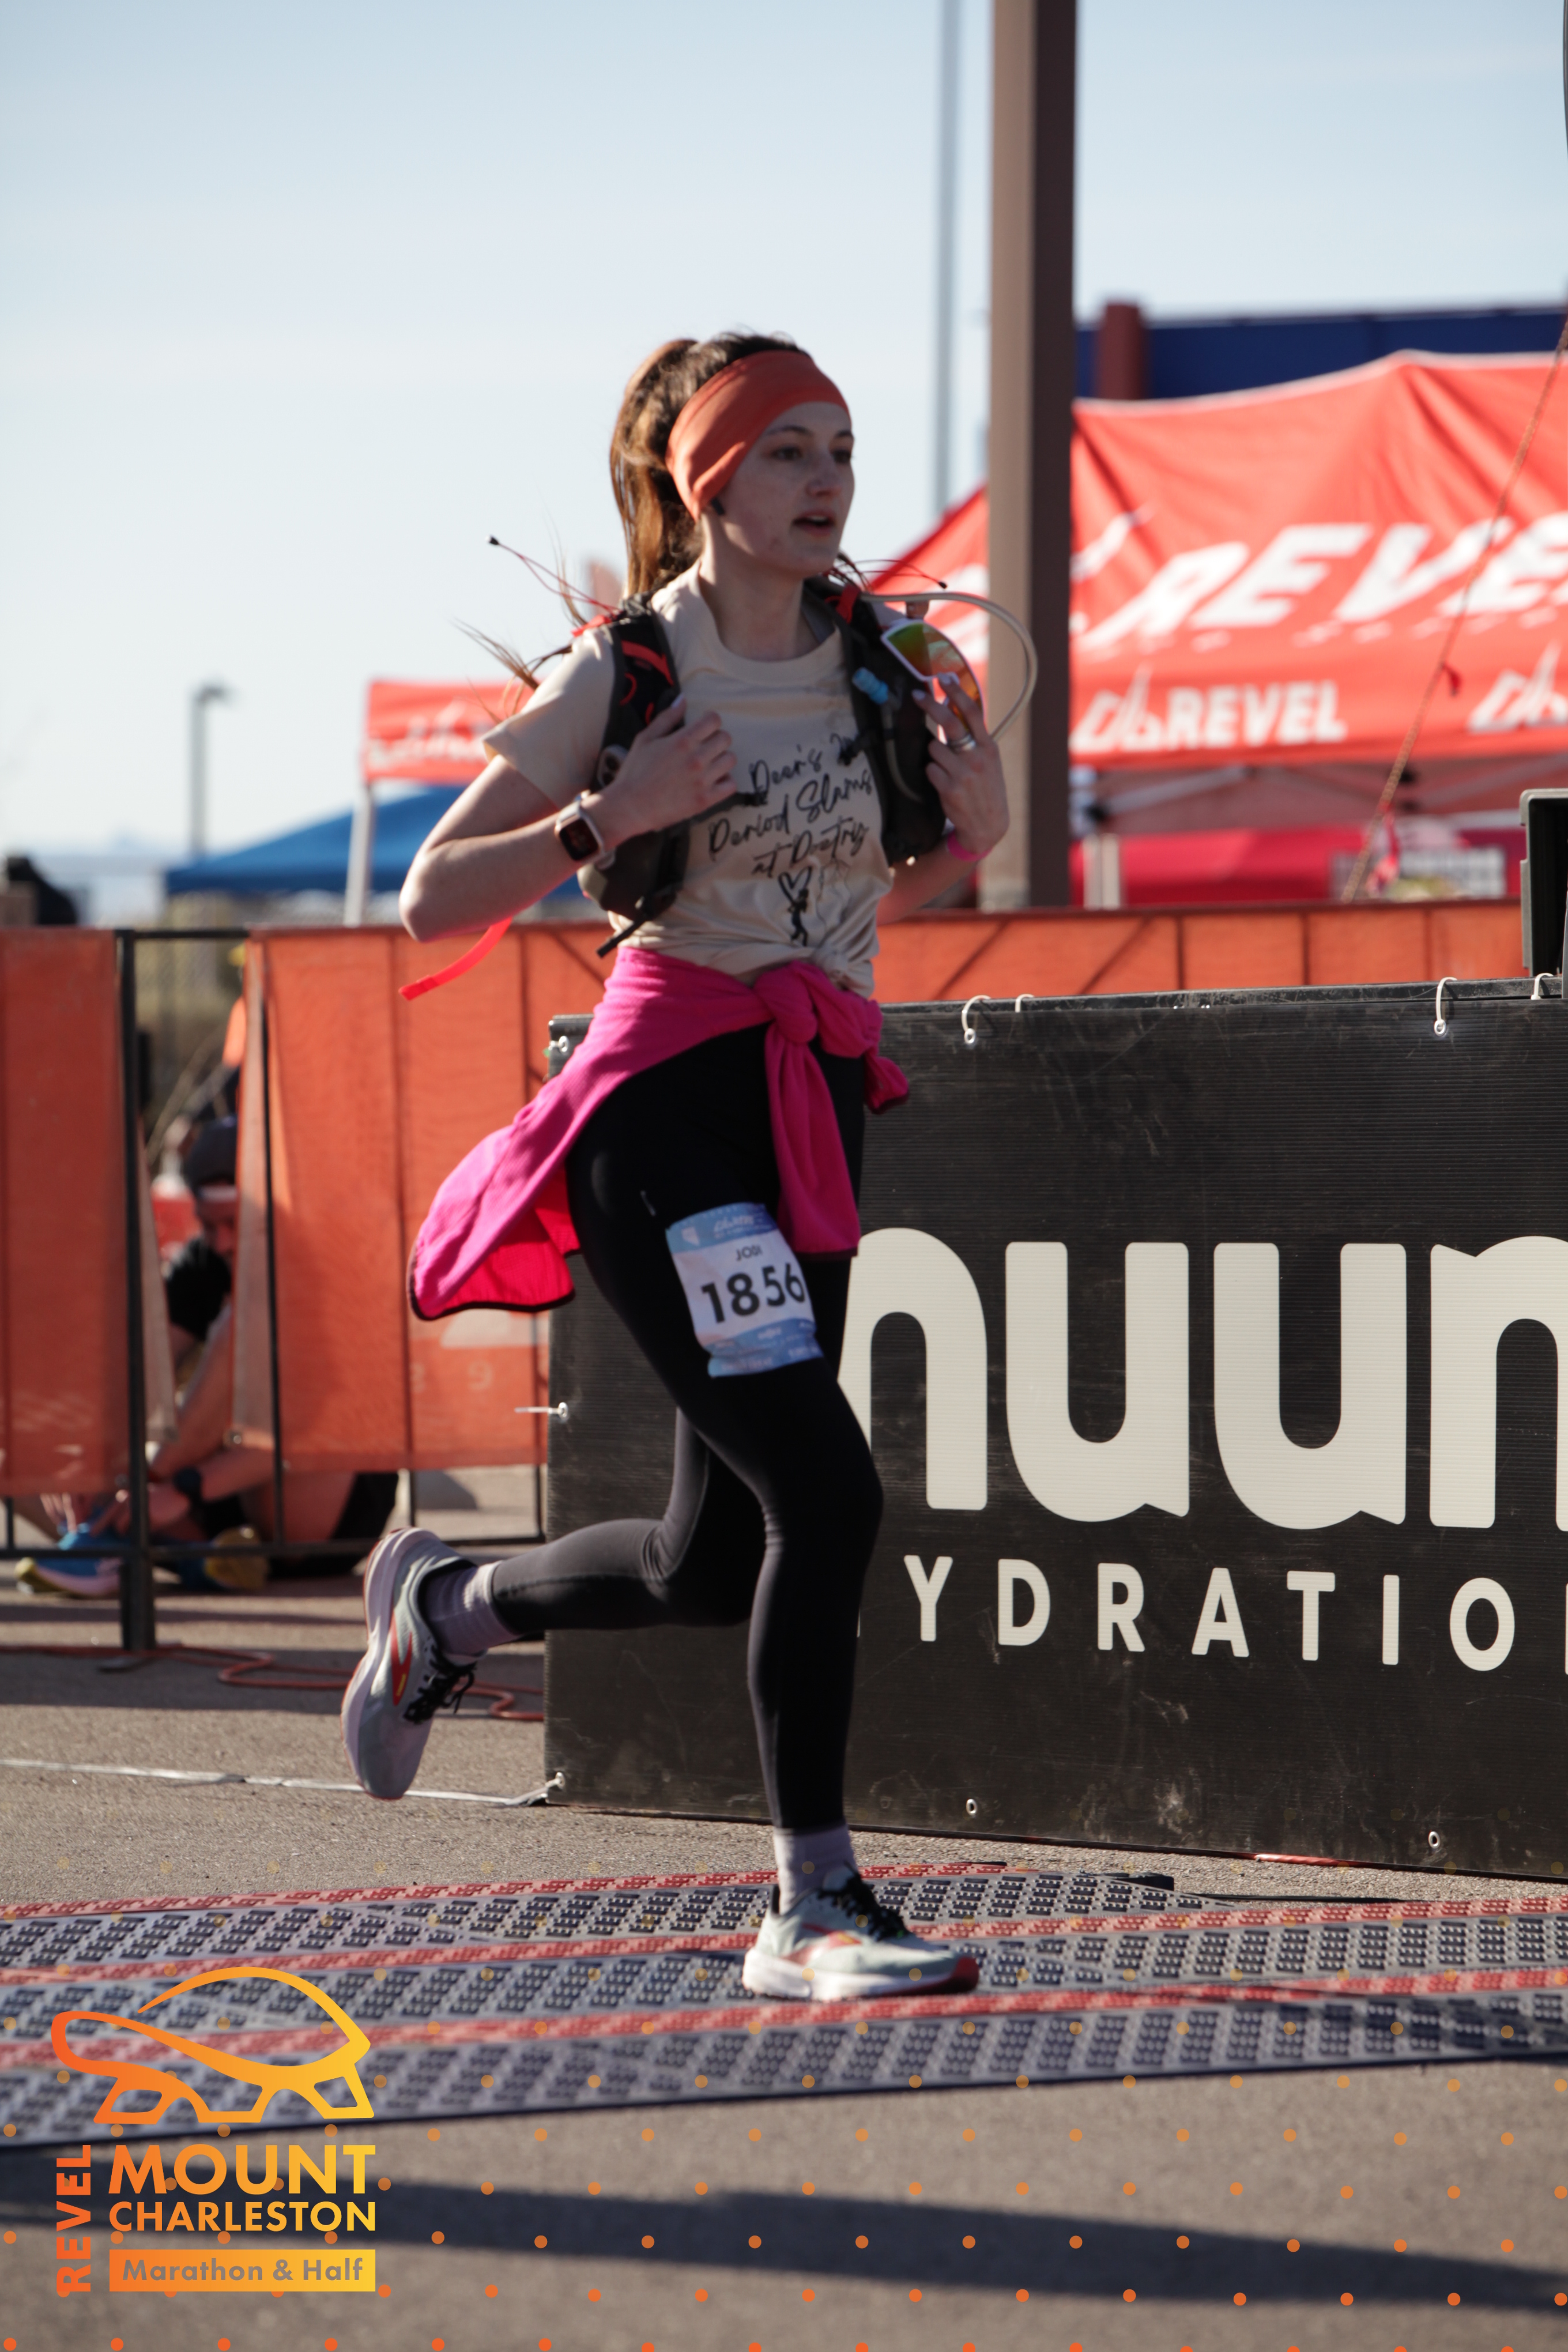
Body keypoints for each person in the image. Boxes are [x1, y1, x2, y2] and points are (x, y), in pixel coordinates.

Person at [340, 333, 1009, 2002]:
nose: (829, 479)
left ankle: (448, 1608)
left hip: (811, 1099)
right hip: (669, 1113)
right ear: (707, 480)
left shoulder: (886, 656)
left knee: (713, 1562)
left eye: (842, 448)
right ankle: (812, 1907)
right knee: (830, 1494)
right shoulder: (626, 670)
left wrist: (979, 829)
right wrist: (606, 813)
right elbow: (428, 901)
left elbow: (879, 897)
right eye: (789, 449)